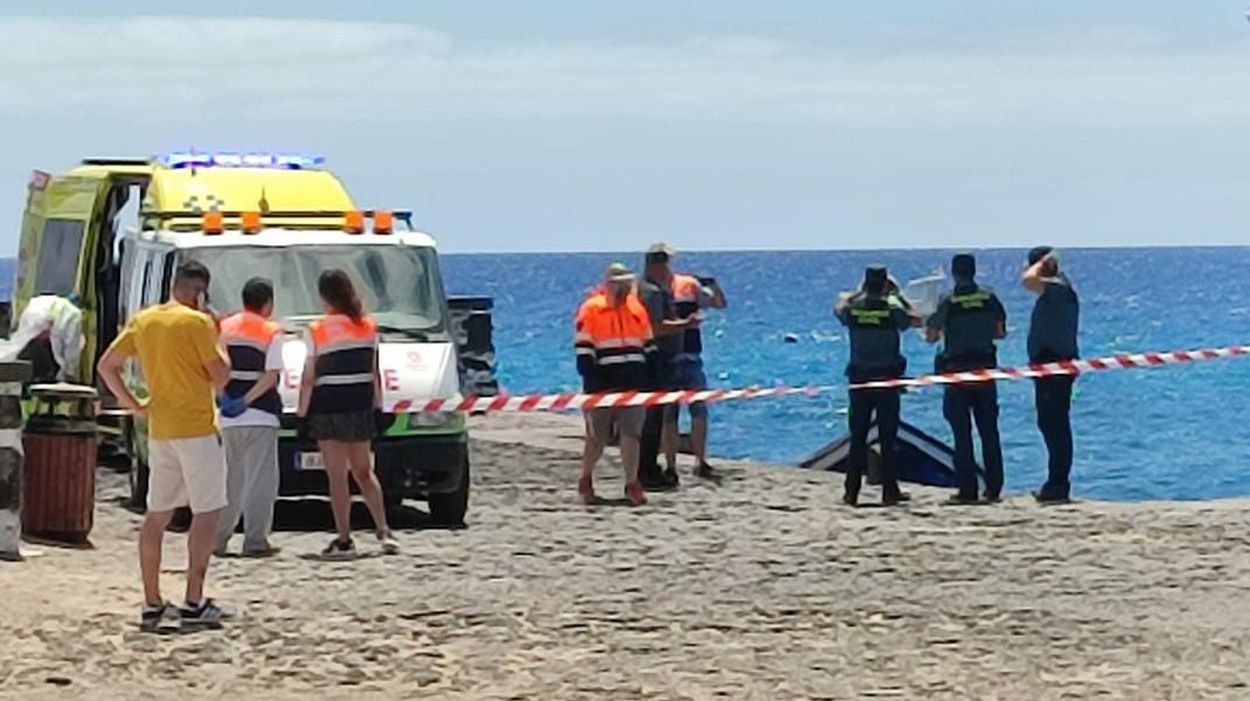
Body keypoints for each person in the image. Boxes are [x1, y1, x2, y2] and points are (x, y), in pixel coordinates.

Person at [97, 261, 232, 631]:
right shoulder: (198, 323)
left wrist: (132, 404)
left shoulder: (145, 320)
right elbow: (221, 376)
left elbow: (107, 365)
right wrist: (218, 335)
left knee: (157, 514)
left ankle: (152, 600)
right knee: (207, 511)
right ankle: (193, 598)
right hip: (197, 427)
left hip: (161, 427)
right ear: (199, 292)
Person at [297, 269, 400, 558]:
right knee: (364, 471)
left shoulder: (317, 329)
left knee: (337, 477)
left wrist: (302, 414)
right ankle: (384, 530)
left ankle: (344, 537)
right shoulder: (368, 325)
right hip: (360, 404)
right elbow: (374, 372)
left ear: (323, 296)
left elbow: (308, 377)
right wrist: (379, 407)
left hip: (329, 405)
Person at [834, 266, 922, 507]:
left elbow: (838, 307)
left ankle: (851, 491)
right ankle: (889, 490)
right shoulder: (891, 308)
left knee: (858, 436)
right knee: (888, 436)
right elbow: (914, 319)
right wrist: (897, 296)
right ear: (885, 285)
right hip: (887, 380)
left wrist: (858, 293)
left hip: (860, 380)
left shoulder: (853, 308)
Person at [925, 253, 1008, 505]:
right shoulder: (989, 297)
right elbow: (1000, 332)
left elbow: (931, 336)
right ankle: (994, 488)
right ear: (974, 271)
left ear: (954, 273)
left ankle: (967, 489)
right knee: (989, 431)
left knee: (962, 434)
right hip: (984, 369)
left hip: (957, 371)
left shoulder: (948, 300)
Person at [574, 262, 657, 506]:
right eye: (619, 283)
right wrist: (594, 380)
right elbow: (584, 350)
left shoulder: (637, 309)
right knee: (597, 437)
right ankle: (586, 478)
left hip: (633, 384)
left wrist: (651, 375)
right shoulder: (591, 309)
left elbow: (648, 344)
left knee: (631, 434)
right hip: (601, 386)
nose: (624, 287)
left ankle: (632, 483)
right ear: (609, 284)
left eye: (626, 282)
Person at [214, 278, 284, 557]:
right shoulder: (271, 331)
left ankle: (218, 540)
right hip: (261, 416)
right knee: (260, 481)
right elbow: (271, 375)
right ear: (268, 304)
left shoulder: (224, 327)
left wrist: (224, 398)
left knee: (229, 479)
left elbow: (213, 367)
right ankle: (255, 540)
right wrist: (248, 400)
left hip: (228, 418)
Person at [637, 243, 700, 489]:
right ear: (656, 265)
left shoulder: (649, 289)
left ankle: (649, 467)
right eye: (665, 264)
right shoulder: (651, 292)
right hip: (657, 358)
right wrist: (685, 324)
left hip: (658, 358)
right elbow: (656, 327)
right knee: (653, 417)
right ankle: (648, 470)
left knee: (655, 415)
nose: (669, 270)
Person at [1022, 246, 1080, 504]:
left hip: (1055, 365)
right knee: (1051, 423)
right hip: (1050, 365)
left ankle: (1058, 484)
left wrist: (1042, 263)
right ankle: (1055, 481)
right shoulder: (1057, 290)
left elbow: (1027, 281)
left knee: (1054, 424)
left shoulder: (1057, 288)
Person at [664, 262, 728, 482]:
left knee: (696, 412)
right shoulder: (660, 290)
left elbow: (719, 304)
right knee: (671, 415)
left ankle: (698, 461)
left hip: (689, 357)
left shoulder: (689, 287)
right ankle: (673, 464)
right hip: (670, 359)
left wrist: (713, 286)